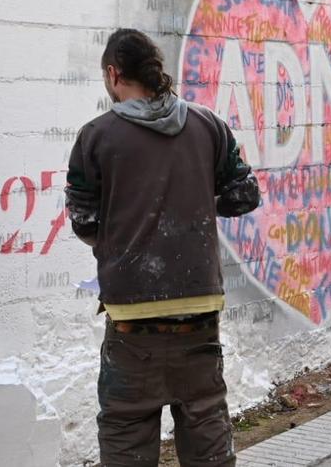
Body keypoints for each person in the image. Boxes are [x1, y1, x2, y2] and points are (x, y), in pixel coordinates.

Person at [66, 28, 261, 467]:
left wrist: (123, 241)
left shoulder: (96, 136)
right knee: (207, 429)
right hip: (199, 315)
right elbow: (244, 195)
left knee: (125, 434)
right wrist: (193, 206)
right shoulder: (208, 125)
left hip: (133, 322)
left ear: (114, 74)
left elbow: (84, 220)